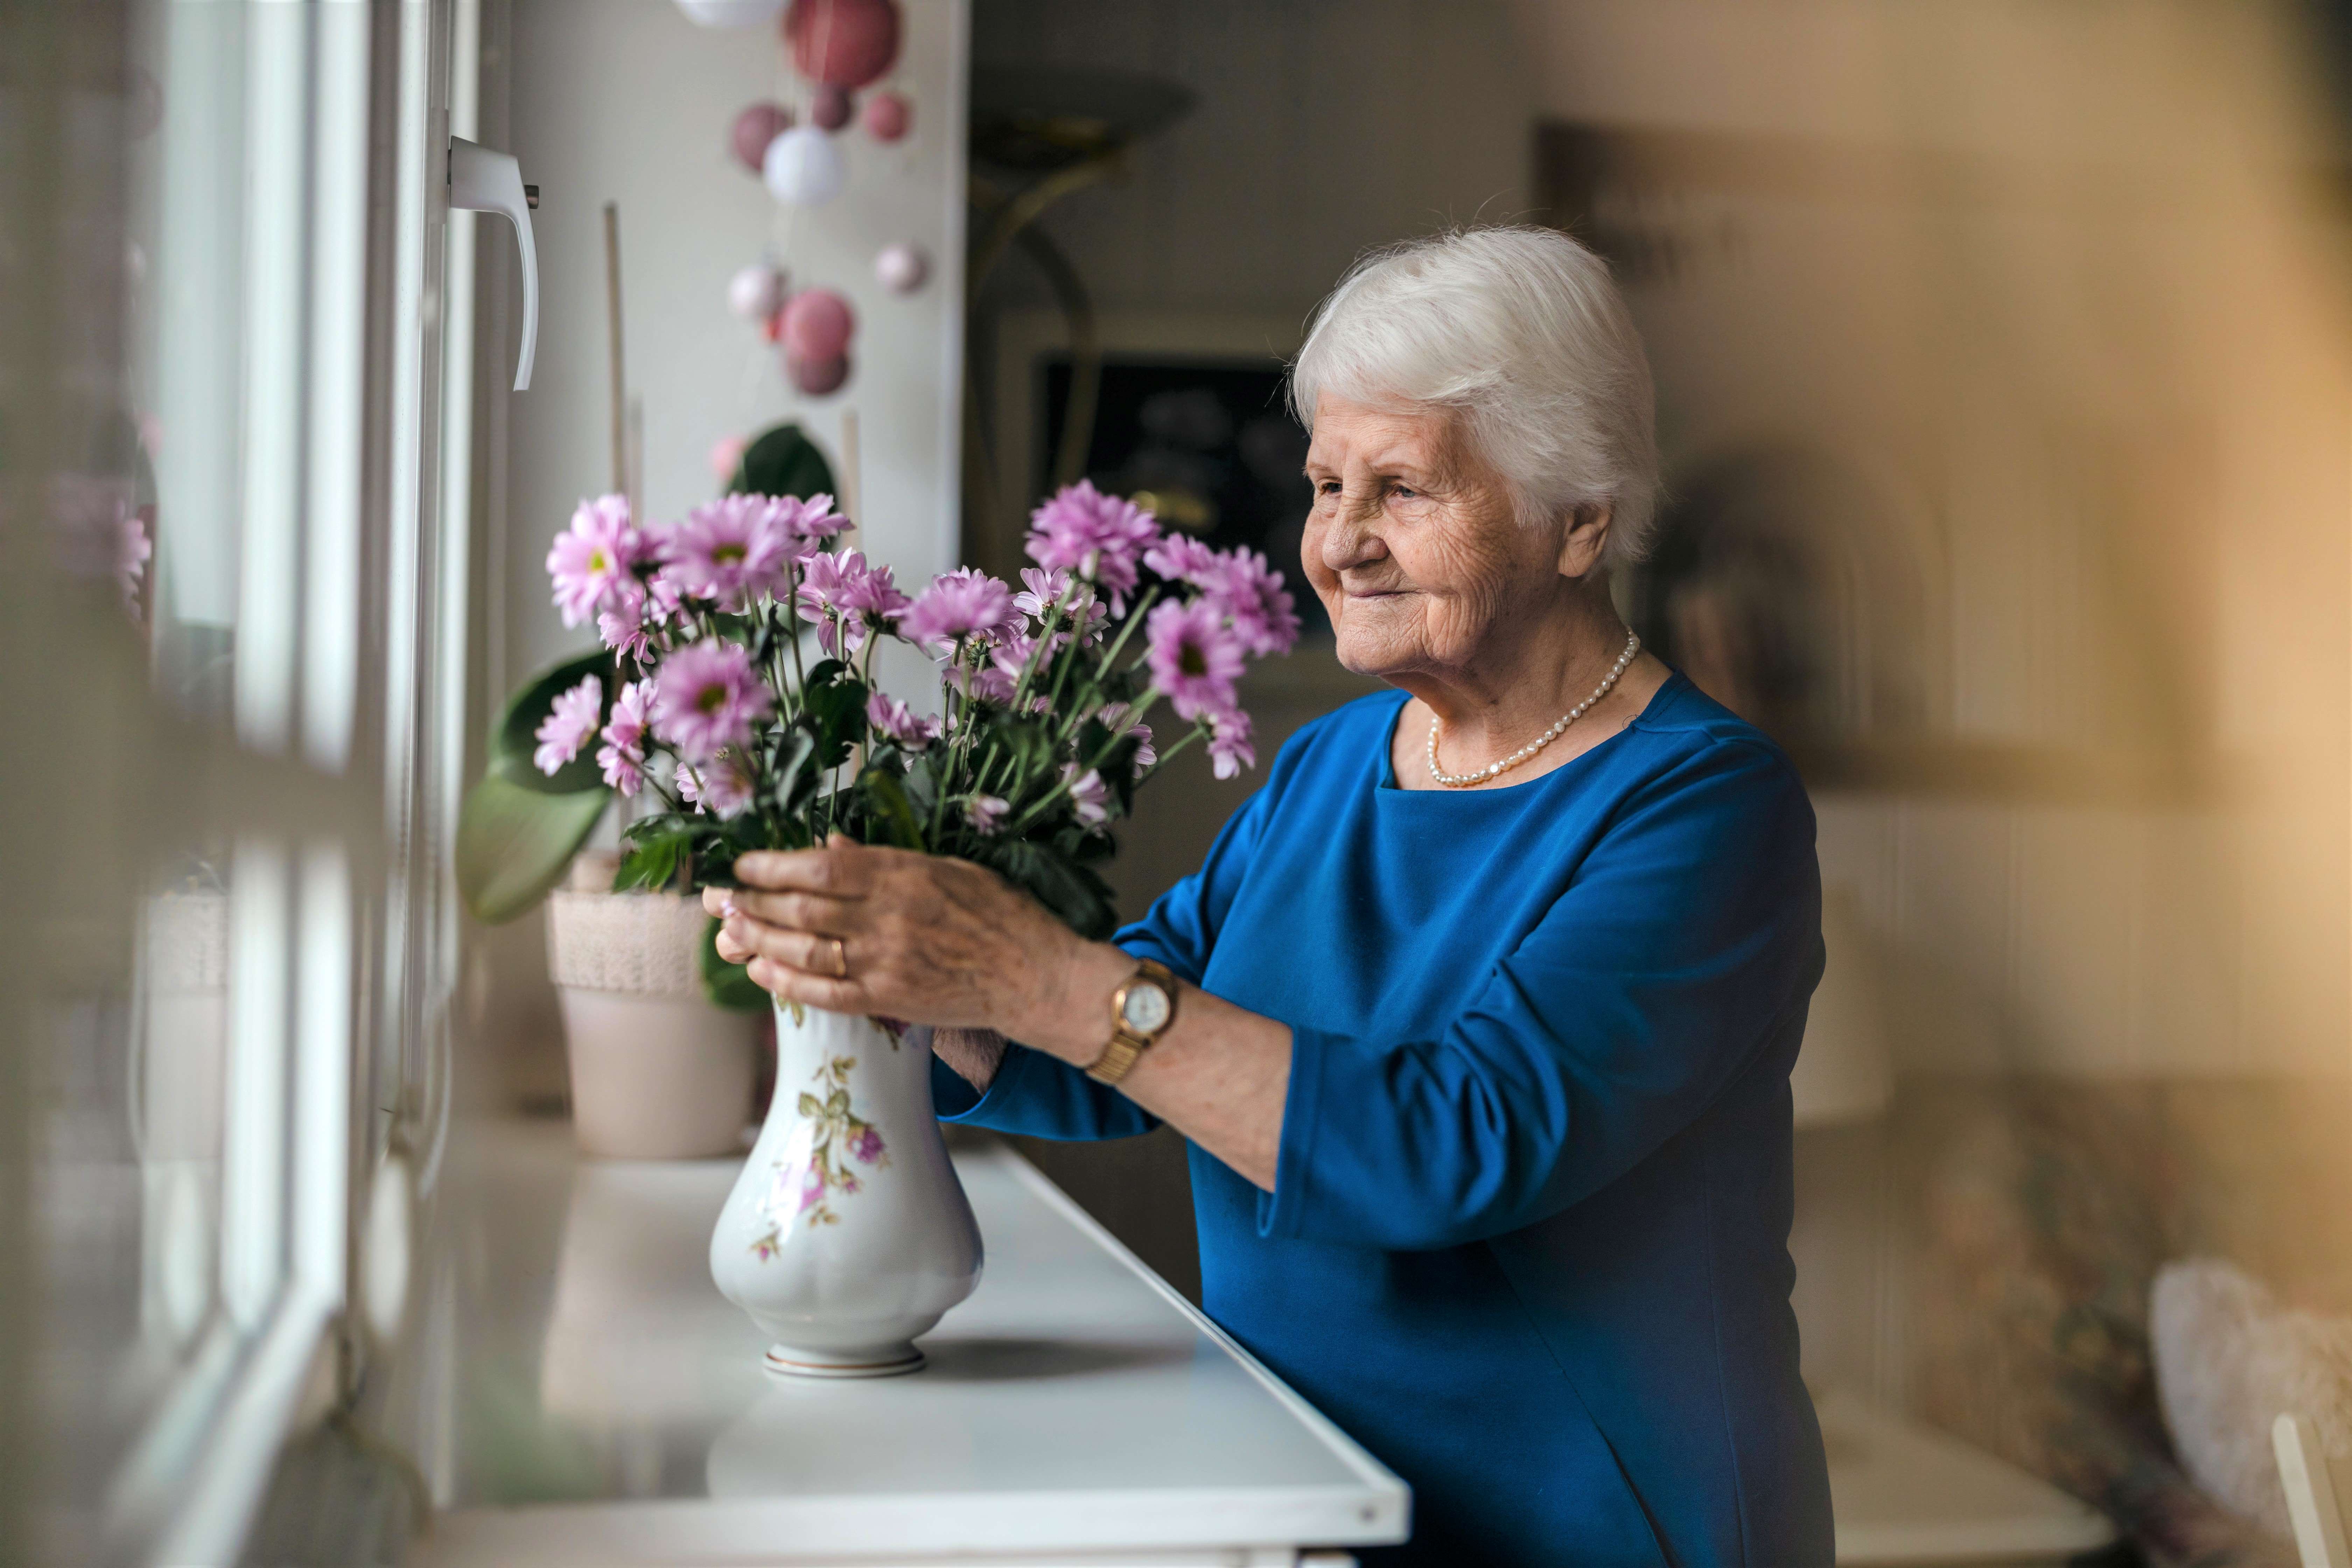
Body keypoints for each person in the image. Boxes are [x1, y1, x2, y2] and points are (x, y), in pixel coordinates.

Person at [710, 226, 1834, 1566]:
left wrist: (1036, 974)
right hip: (1307, 1489)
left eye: (1403, 488)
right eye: (1324, 484)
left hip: (1590, 1531)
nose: (1341, 544)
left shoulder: (1707, 806)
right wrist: (908, 983)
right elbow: (1140, 1033)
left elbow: (1458, 1141)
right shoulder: (1337, 762)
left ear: (1579, 519)